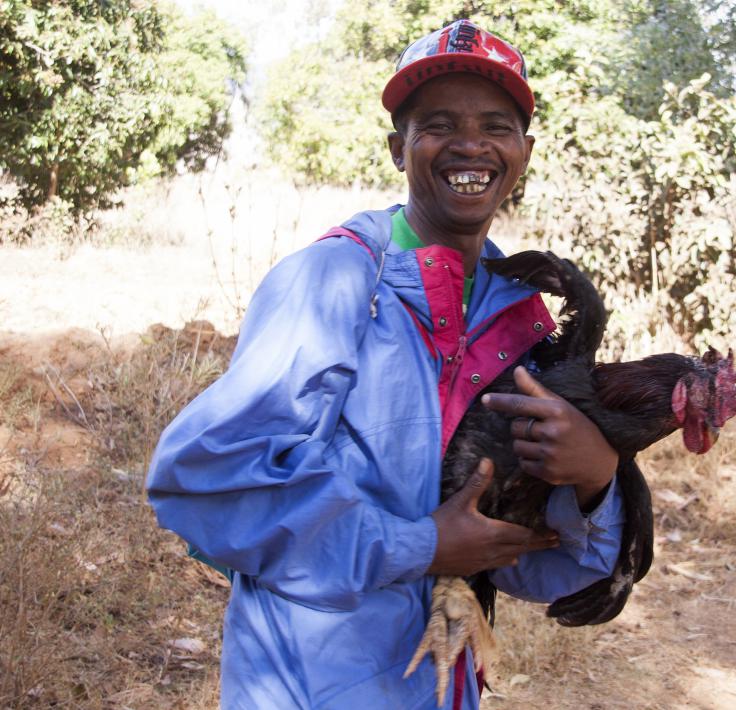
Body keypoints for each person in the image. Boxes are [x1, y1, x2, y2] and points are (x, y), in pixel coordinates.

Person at [146, 20, 625, 710]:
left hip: (437, 685)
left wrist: (595, 479)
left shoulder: (520, 314)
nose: (470, 144)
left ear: (523, 152)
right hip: (307, 684)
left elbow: (539, 562)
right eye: (438, 125)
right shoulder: (336, 281)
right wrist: (419, 545)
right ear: (399, 148)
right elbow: (206, 479)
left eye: (496, 125)